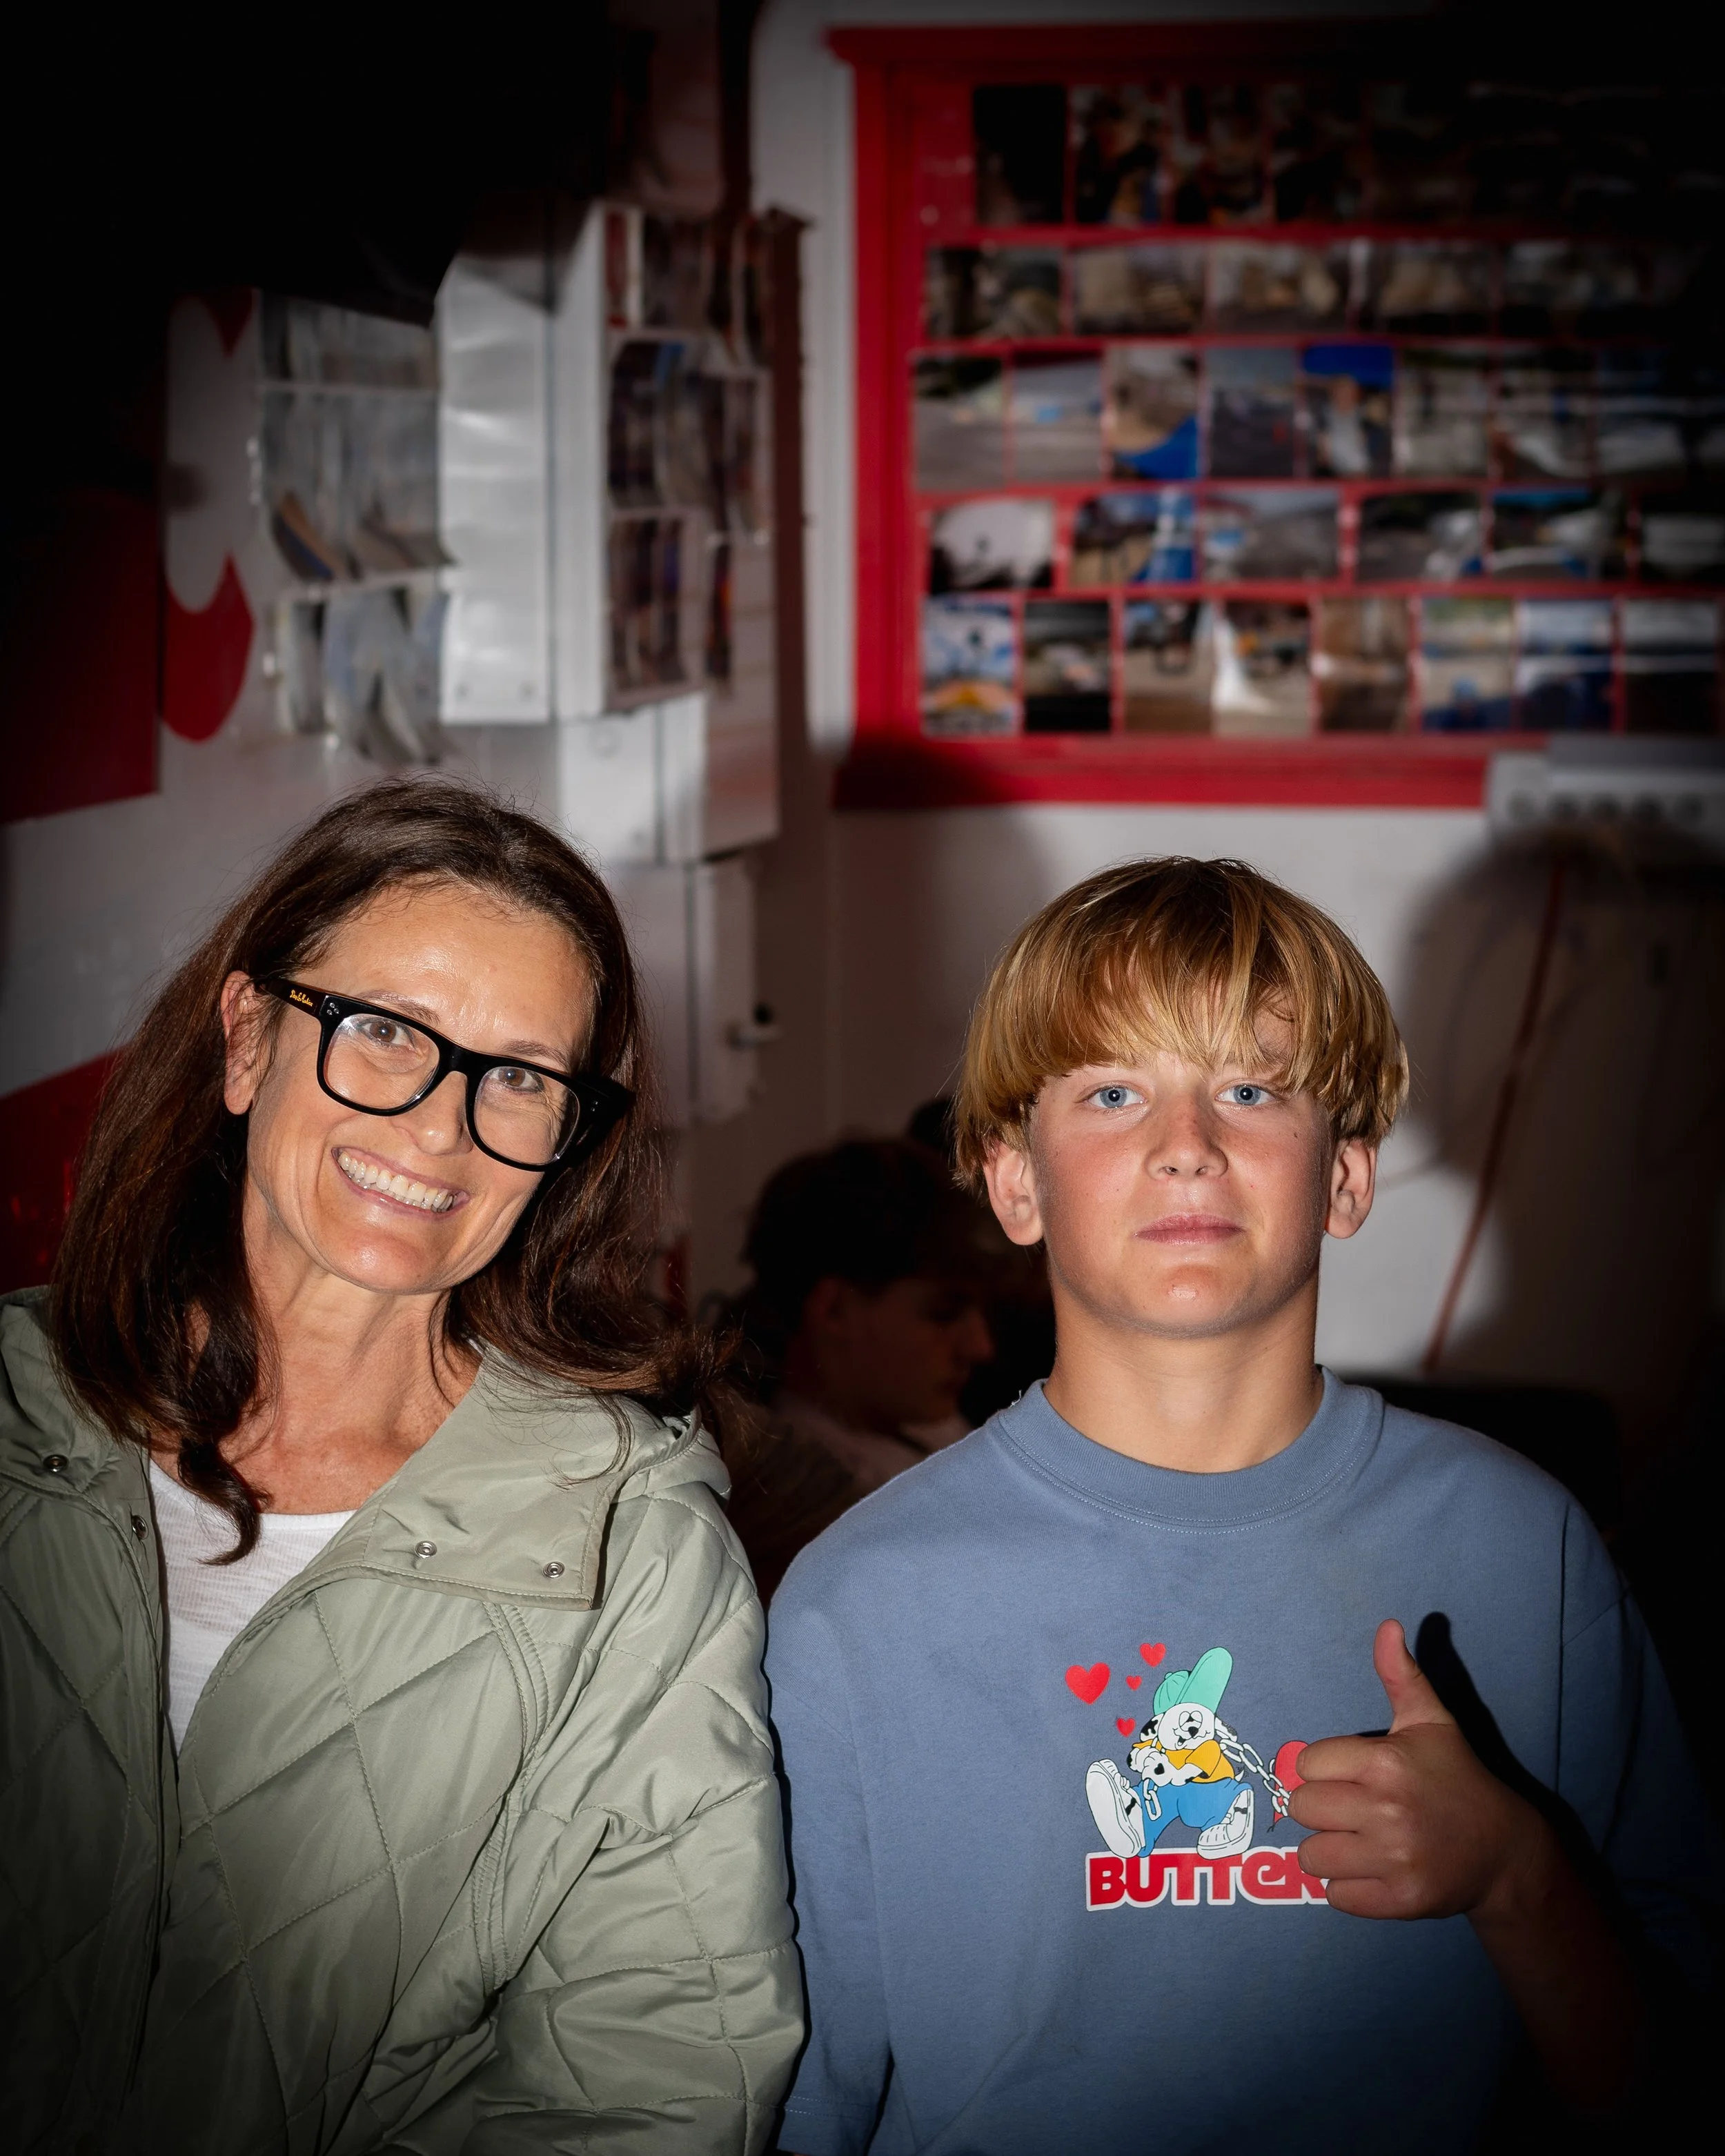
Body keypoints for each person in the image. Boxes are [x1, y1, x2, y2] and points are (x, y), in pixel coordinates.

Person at [766, 857, 1719, 2155]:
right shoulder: (856, 1606)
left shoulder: (1526, 1552)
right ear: (1015, 1183)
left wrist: (1518, 1875)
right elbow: (791, 2109)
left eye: (1251, 1089)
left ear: (1345, 1177)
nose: (1187, 1146)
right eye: (1113, 1092)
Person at [1, 777, 800, 2153]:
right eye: (381, 1030)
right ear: (245, 1040)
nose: (440, 1125)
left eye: (521, 1076)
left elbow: (658, 2081)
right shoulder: (18, 1414)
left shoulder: (630, 1548)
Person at [724, 1140, 995, 1599]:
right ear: (834, 1310)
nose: (981, 1347)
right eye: (943, 1314)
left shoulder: (921, 1423)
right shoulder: (815, 1515)